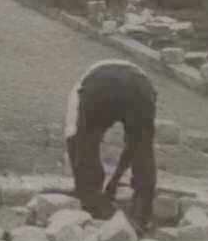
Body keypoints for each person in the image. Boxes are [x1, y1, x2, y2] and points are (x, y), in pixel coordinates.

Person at [65, 58, 159, 229]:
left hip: (99, 86)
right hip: (140, 87)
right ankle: (141, 214)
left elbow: (75, 142)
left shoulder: (77, 94)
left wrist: (85, 183)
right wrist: (114, 181)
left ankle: (91, 206)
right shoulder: (146, 89)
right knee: (143, 149)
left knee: (87, 143)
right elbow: (134, 147)